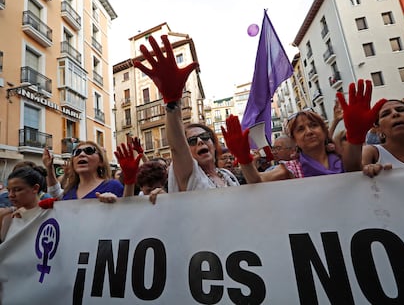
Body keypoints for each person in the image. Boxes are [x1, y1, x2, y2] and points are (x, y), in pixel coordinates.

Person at [222, 79, 386, 183]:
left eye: (313, 125)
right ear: (294, 140)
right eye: (300, 129)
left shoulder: (343, 158)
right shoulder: (291, 169)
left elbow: (355, 167)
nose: (308, 131)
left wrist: (357, 138)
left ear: (323, 131)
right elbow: (257, 181)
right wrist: (244, 159)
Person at [132, 35, 239, 192]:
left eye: (204, 137)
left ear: (214, 144)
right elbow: (177, 146)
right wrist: (172, 100)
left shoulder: (227, 175)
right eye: (191, 141)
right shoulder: (190, 174)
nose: (200, 143)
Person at [42, 141, 125, 203]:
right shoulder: (69, 191)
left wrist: (115, 204)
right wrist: (49, 168)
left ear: (101, 161)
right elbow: (54, 193)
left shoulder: (113, 186)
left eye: (89, 151)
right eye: (76, 152)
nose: (81, 154)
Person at [362, 99, 404, 177]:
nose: (395, 113)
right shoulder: (372, 152)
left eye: (401, 110)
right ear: (378, 128)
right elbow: (354, 170)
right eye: (385, 114)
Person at [0, 167, 46, 242]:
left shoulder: (49, 213)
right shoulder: (7, 216)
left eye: (17, 190)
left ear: (35, 188)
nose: (10, 195)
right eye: (9, 190)